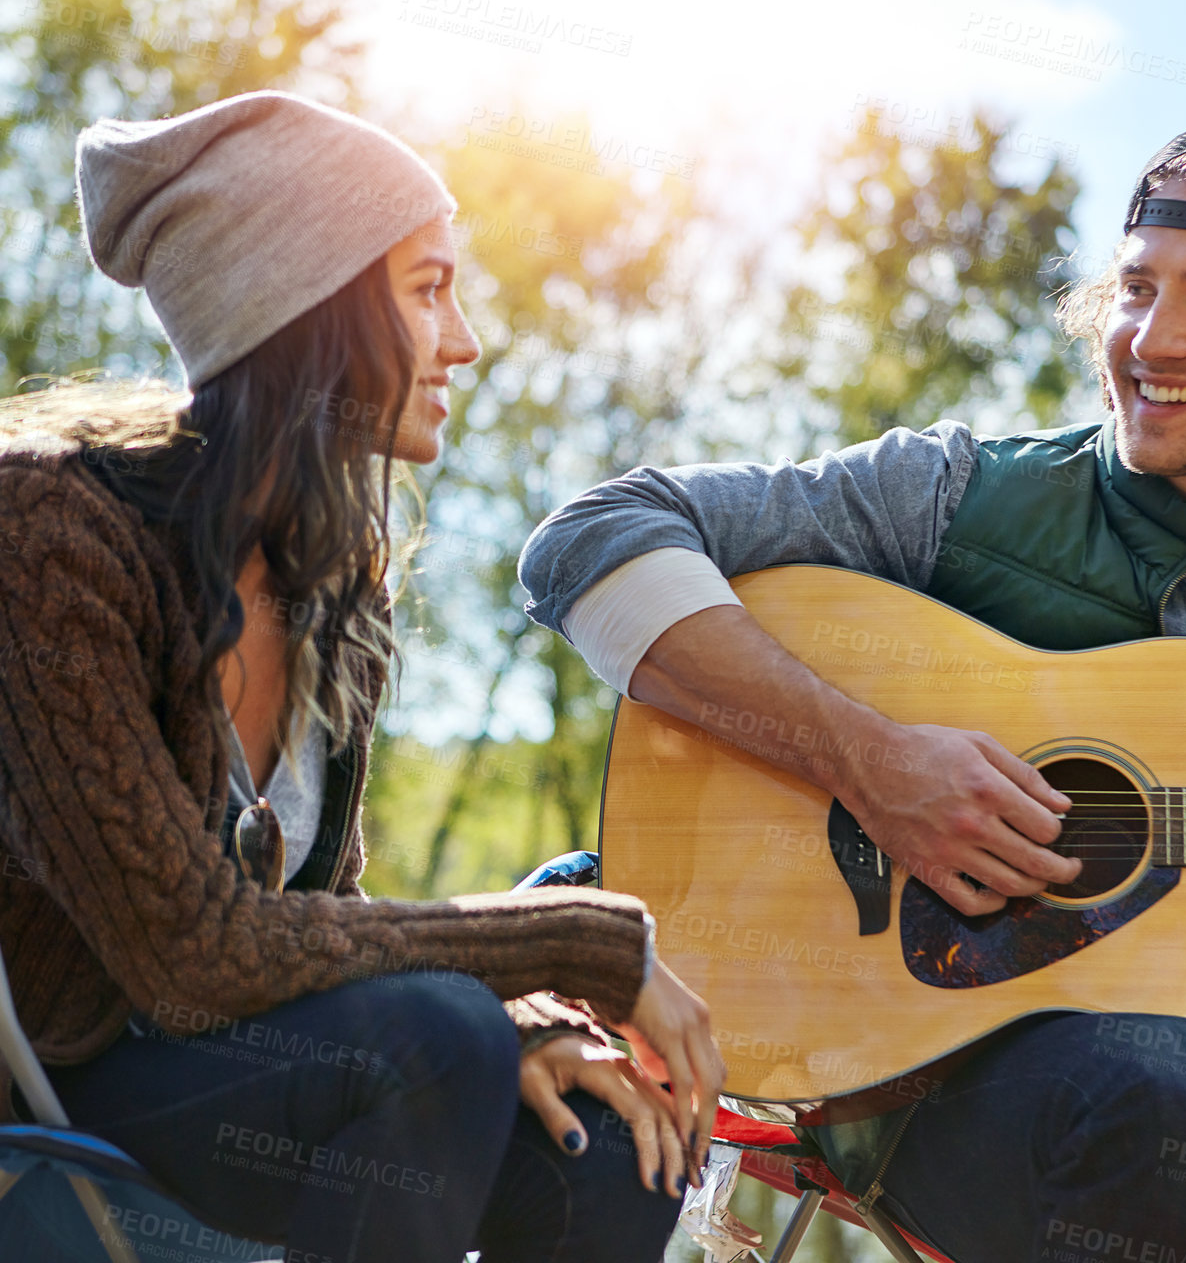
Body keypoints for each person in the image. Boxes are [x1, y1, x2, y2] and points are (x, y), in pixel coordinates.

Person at [518, 115, 1186, 1263]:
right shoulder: (957, 500)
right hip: (940, 1096)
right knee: (1177, 1096)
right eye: (1136, 288)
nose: (1148, 338)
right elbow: (591, 539)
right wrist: (866, 758)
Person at [0, 90, 724, 1263]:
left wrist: (520, 1018)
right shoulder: (47, 532)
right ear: (306, 306)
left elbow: (316, 924)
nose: (465, 340)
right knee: (429, 1040)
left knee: (605, 1121)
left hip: (242, 1069)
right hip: (64, 1079)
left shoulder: (337, 586)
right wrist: (576, 942)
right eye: (428, 288)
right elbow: (189, 955)